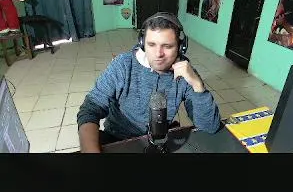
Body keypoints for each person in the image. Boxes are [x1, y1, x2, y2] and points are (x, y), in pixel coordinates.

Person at [76, 12, 221, 153]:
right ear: (142, 44)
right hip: (117, 139)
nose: (158, 54)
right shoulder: (123, 65)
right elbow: (90, 109)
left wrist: (197, 85)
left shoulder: (186, 73)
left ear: (181, 47)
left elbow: (210, 127)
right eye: (151, 45)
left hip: (160, 140)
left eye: (167, 46)